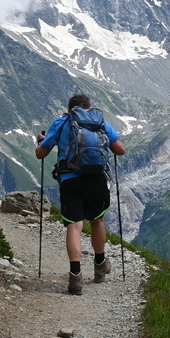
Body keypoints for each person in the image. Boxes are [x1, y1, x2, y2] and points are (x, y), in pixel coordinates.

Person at [36, 93, 126, 295]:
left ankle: (75, 278)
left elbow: (41, 153)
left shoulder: (61, 122)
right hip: (96, 178)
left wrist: (41, 141)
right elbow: (120, 149)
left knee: (75, 226)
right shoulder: (99, 122)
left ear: (69, 109)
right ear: (88, 108)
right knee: (97, 220)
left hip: (70, 180)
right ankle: (100, 263)